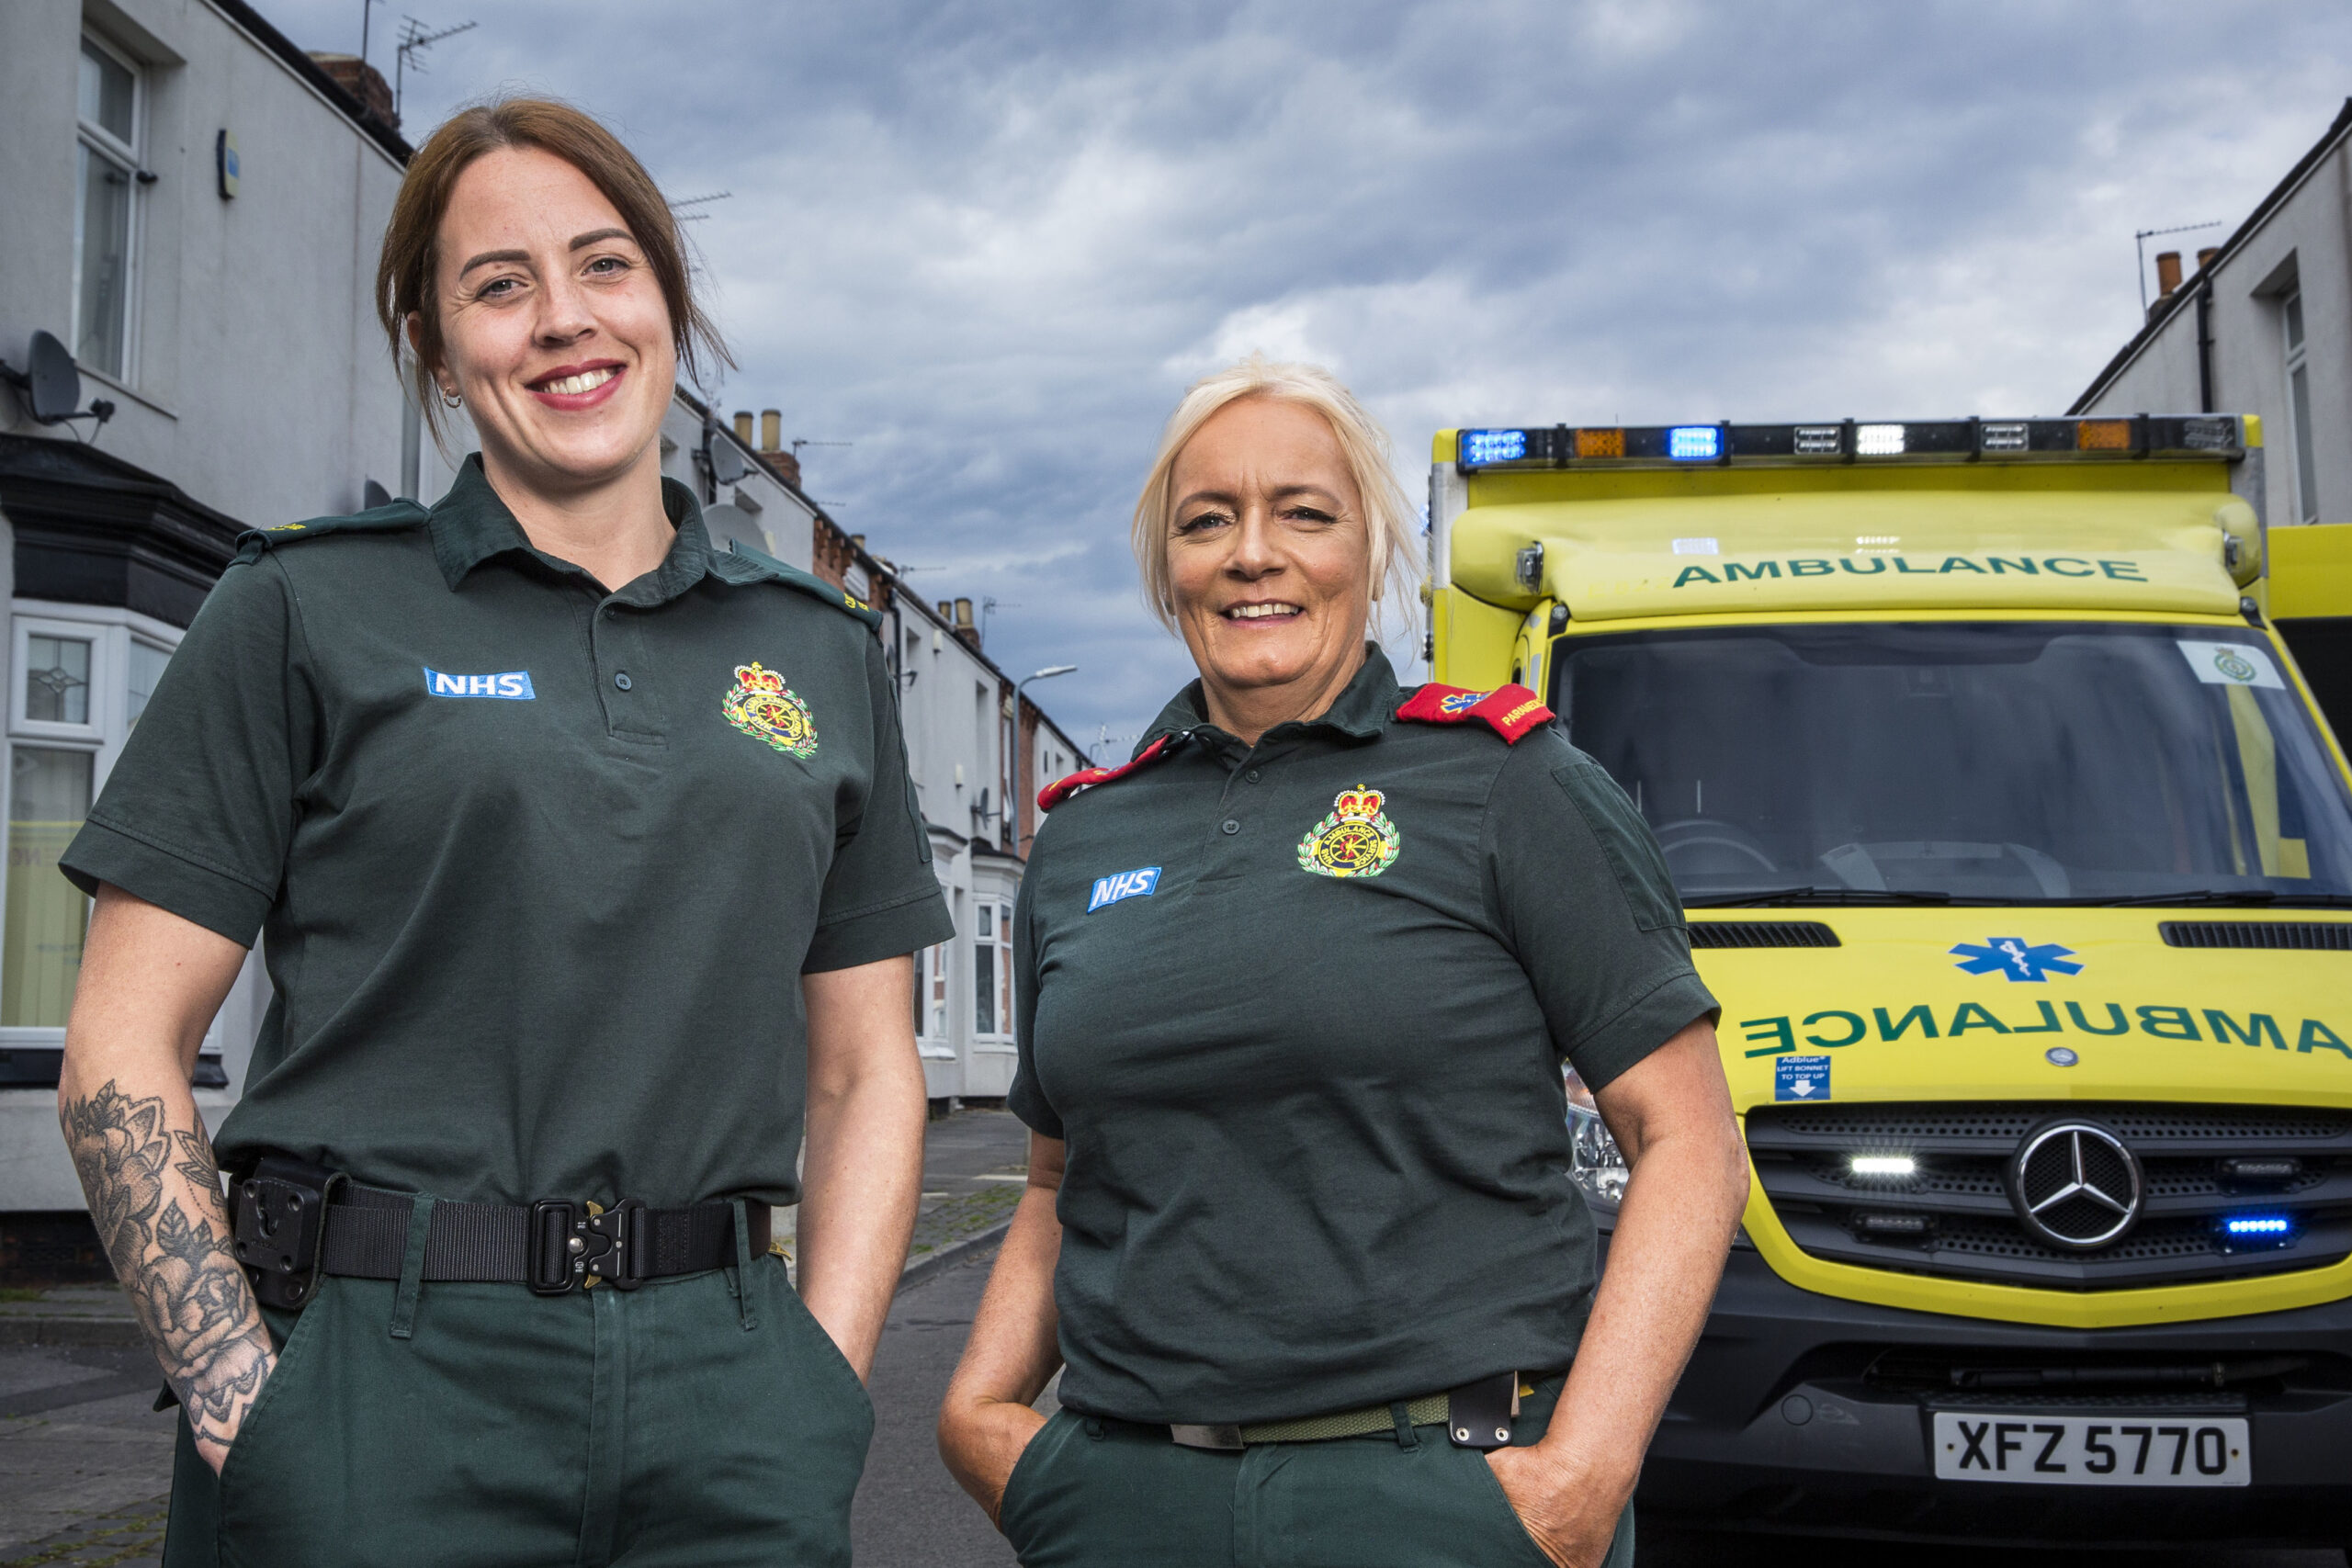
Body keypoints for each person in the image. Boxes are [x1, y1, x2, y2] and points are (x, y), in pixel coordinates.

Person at [55, 98, 950, 1568]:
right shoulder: (301, 608)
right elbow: (119, 1047)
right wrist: (244, 1400)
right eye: (498, 284)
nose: (562, 322)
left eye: (604, 266)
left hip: (727, 1397)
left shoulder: (821, 653)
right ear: (434, 344)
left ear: (667, 301)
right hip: (376, 1388)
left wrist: (819, 1386)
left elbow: (866, 1073)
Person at [937, 358, 1749, 1568]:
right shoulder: (1089, 835)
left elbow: (1689, 1142)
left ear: (1371, 553)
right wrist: (980, 1417)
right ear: (1169, 569)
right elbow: (1060, 1180)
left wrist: (1584, 1476)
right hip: (1130, 1499)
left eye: (1302, 513)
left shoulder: (1508, 786)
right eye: (1207, 520)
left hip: (1436, 1494)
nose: (1252, 553)